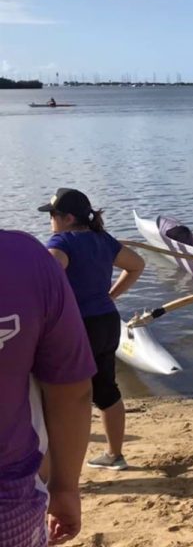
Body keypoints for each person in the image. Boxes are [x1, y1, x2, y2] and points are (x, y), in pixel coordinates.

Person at [38, 188, 145, 471]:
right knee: (106, 390)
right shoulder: (103, 239)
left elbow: (47, 276)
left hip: (76, 327)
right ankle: (114, 455)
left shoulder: (61, 243)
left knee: (62, 395)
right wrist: (110, 296)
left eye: (52, 215)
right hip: (107, 321)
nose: (50, 221)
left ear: (67, 217)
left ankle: (55, 463)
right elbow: (137, 265)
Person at [0, 229, 95, 546]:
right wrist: (64, 487)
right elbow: (71, 393)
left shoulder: (51, 250)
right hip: (9, 495)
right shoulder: (27, 257)